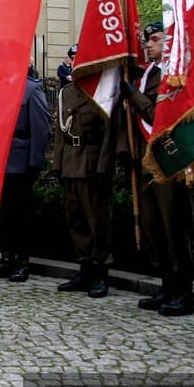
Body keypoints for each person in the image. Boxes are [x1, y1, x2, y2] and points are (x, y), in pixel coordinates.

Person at [122, 21, 194, 316]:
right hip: (146, 163)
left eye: (155, 39)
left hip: (168, 163)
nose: (148, 45)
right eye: (147, 40)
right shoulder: (146, 75)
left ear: (169, 42)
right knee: (153, 227)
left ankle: (183, 292)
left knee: (172, 226)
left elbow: (158, 116)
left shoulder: (173, 76)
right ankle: (166, 285)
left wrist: (133, 95)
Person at [52, 80, 119, 298]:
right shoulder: (66, 92)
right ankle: (85, 268)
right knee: (76, 220)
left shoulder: (101, 90)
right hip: (70, 162)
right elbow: (60, 132)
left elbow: (109, 132)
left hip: (92, 164)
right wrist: (58, 165)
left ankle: (101, 271)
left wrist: (104, 166)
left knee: (97, 221)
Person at [0, 65, 50, 281]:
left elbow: (41, 129)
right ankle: (6, 258)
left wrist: (35, 163)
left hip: (20, 161)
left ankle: (22, 261)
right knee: (2, 214)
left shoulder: (32, 89)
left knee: (20, 215)